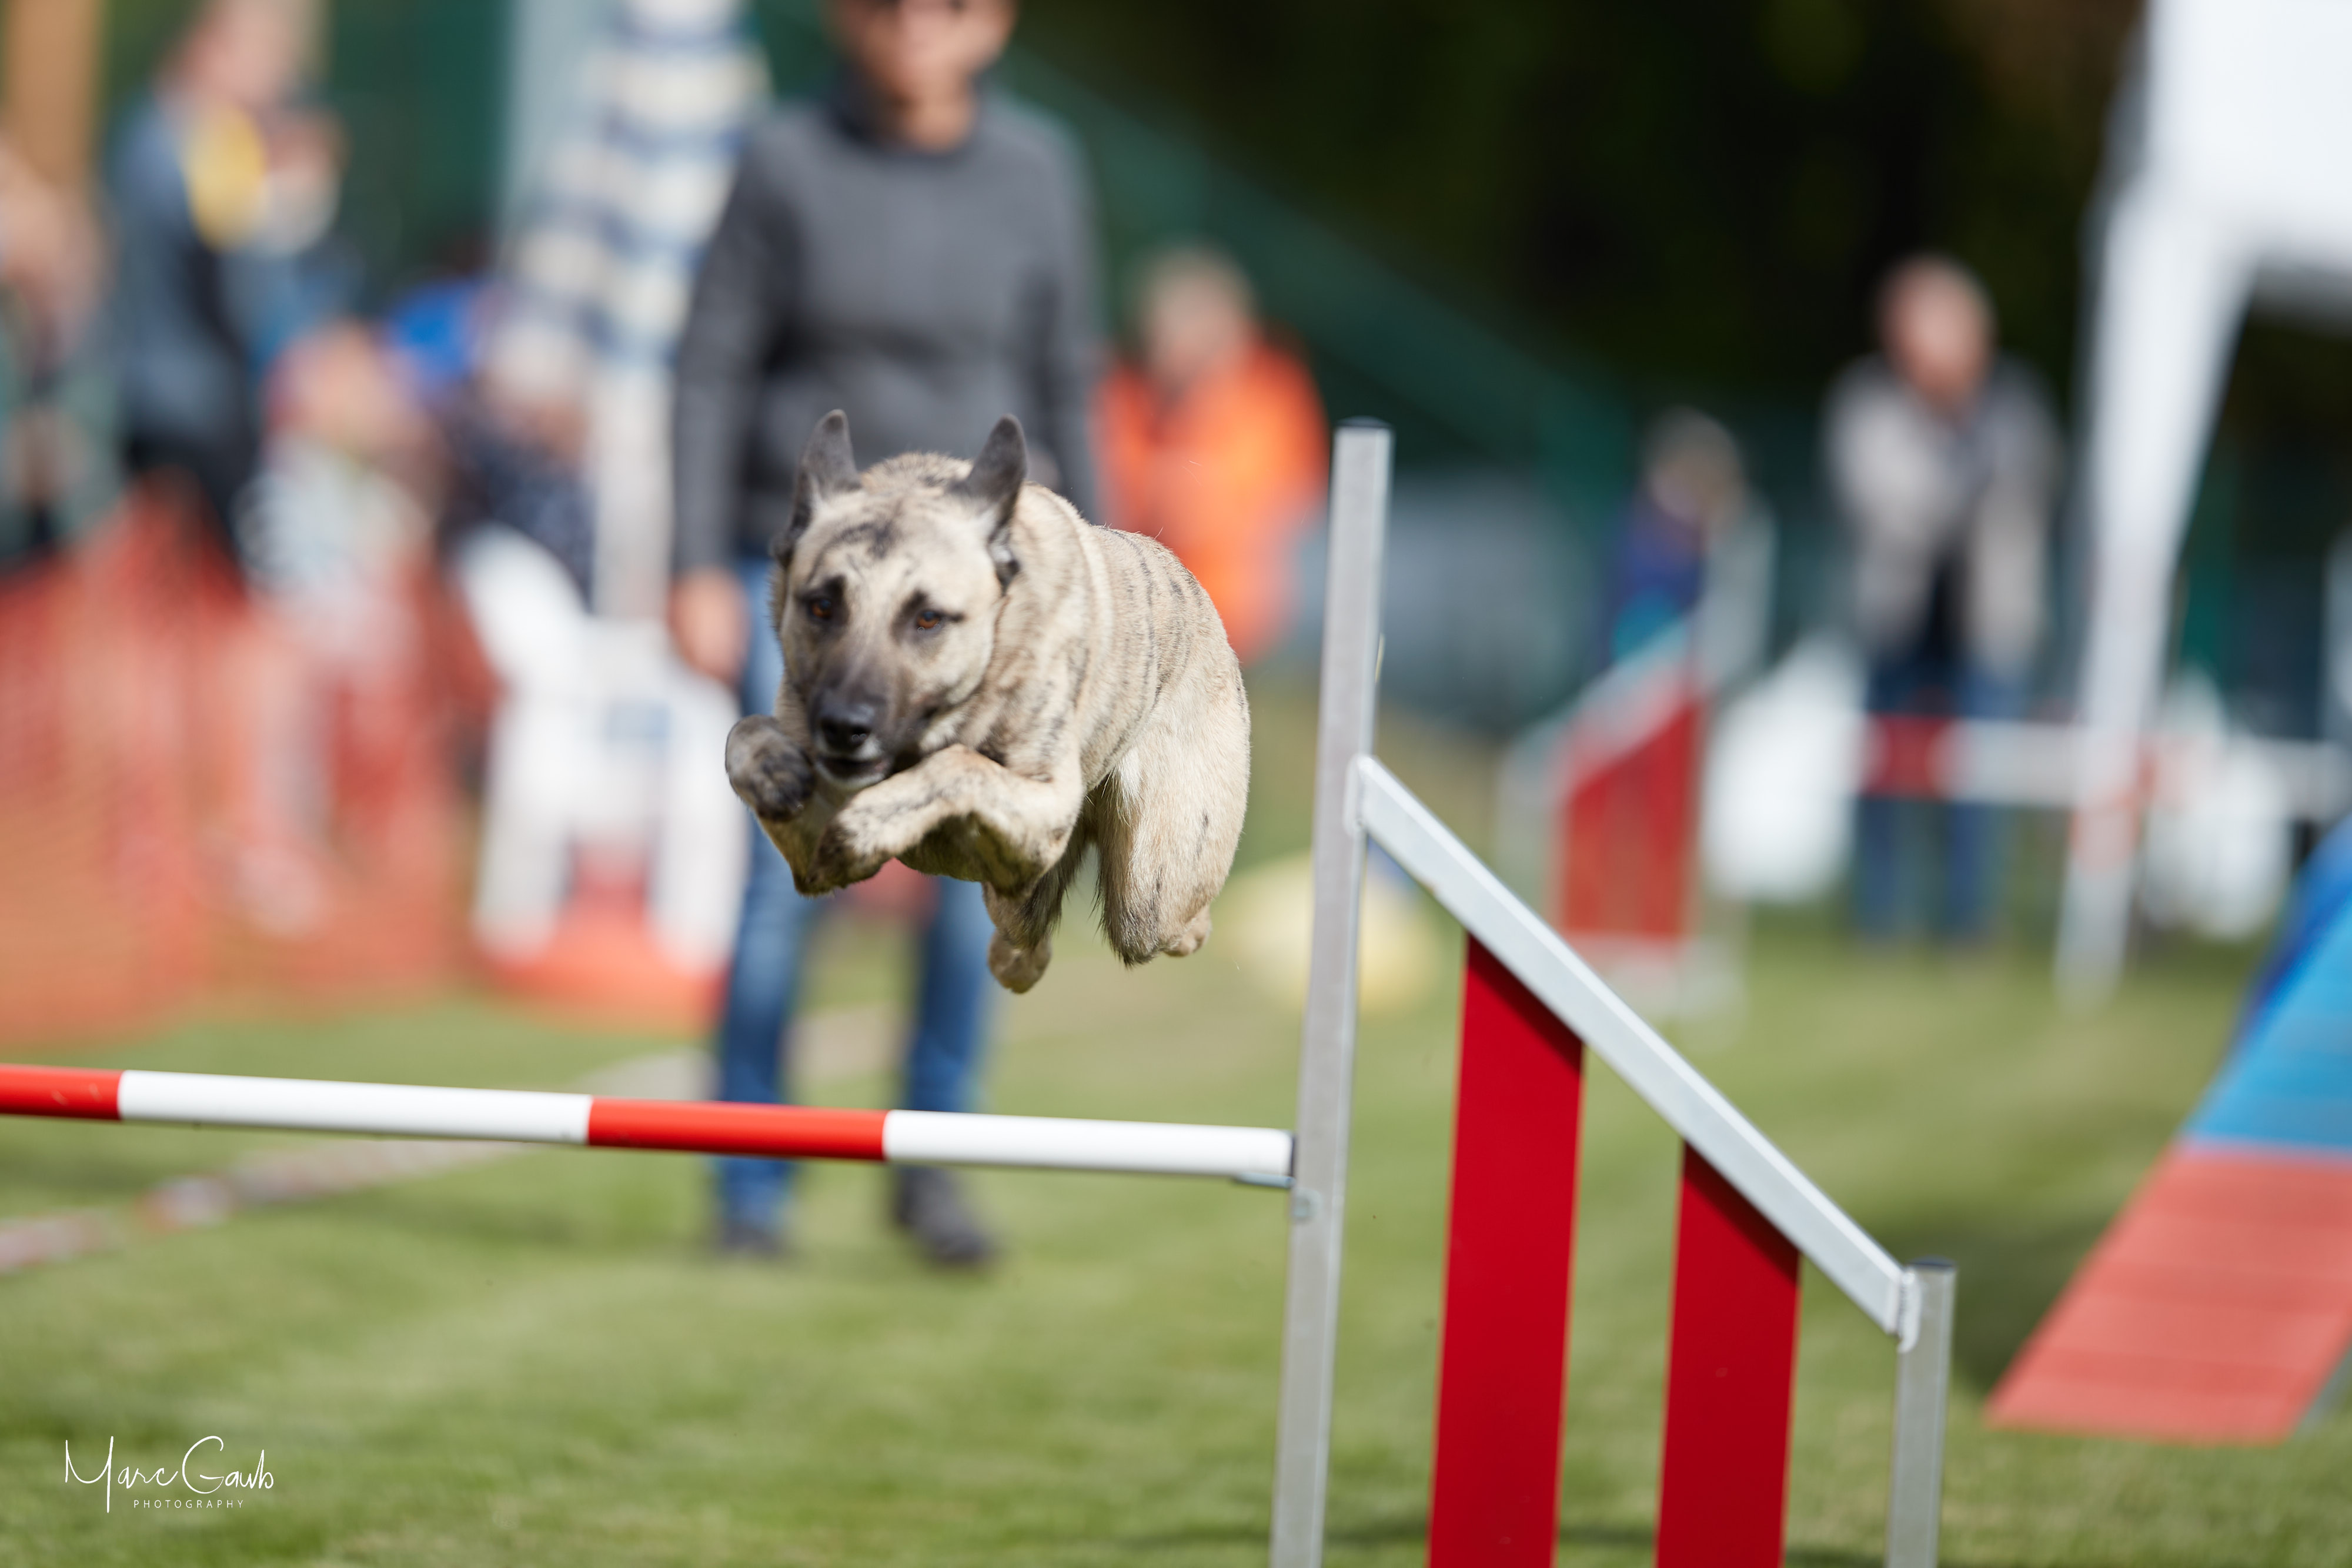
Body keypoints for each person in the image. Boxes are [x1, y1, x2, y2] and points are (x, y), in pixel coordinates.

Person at [669, 0, 1101, 1265]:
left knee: (978, 887)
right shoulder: (782, 159)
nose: (914, 24)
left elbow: (1070, 378)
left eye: (944, 5)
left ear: (992, 23)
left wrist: (1109, 590)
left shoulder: (1038, 171)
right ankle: (750, 1185)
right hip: (815, 592)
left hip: (972, 609)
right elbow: (709, 366)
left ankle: (932, 1167)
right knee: (780, 875)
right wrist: (692, 563)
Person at [1825, 255, 2060, 942]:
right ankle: (1879, 917)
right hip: (1898, 615)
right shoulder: (1869, 403)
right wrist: (1958, 494)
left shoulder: (2015, 407)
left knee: (1980, 778)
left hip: (1987, 623)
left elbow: (2033, 487)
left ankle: (1971, 921)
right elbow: (1873, 495)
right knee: (1885, 771)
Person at [108, 0, 347, 570]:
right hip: (194, 416)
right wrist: (282, 200)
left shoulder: (161, 134)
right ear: (218, 50)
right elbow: (239, 286)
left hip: (174, 406)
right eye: (274, 62)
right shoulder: (190, 142)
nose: (282, 86)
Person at [1098, 245, 1325, 664]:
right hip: (1143, 607)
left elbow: (1292, 495)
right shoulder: (1124, 392)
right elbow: (1118, 489)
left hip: (1242, 613)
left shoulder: (1272, 388)